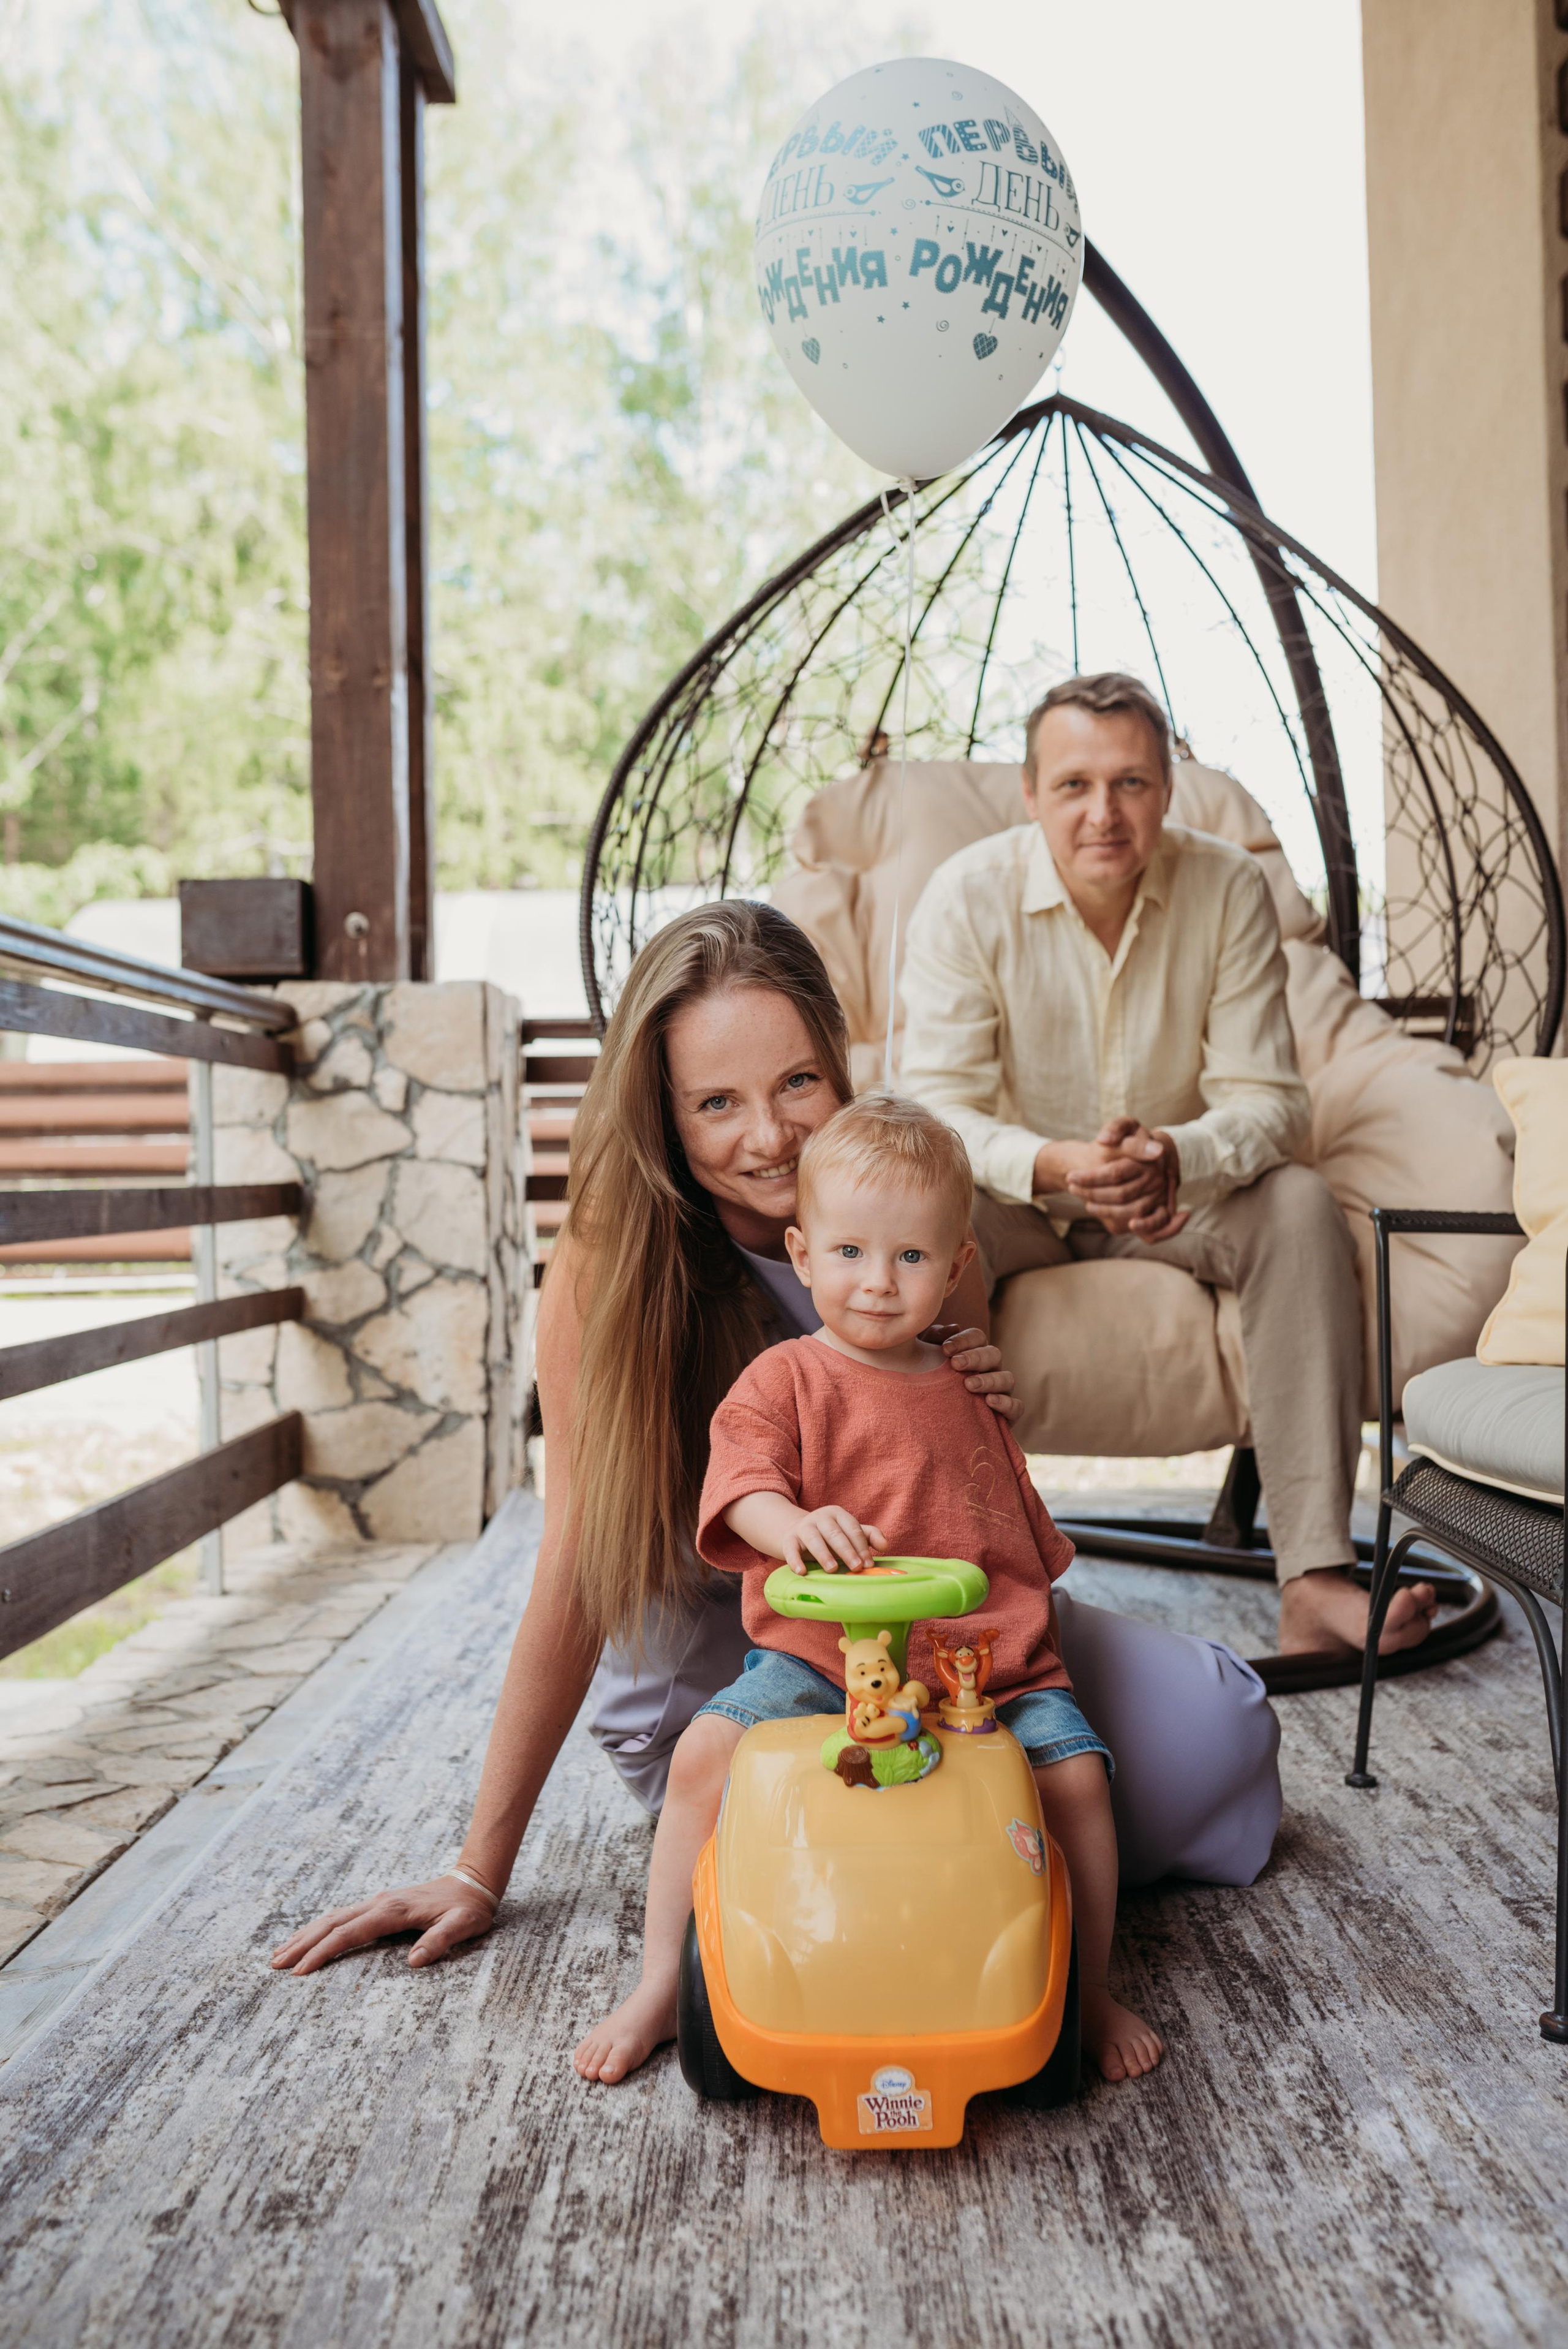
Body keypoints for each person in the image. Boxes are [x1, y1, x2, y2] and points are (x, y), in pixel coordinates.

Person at [270, 901, 1280, 1986]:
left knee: (1221, 1735)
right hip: (740, 1665)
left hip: (936, 1618)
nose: (768, 1135)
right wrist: (479, 1868)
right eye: (717, 1101)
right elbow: (574, 1562)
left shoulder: (926, 1229)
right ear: (665, 1112)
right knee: (895, 1856)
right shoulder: (612, 1268)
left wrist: (982, 1392)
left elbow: (952, 1481)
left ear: (838, 1066)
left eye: (797, 1082)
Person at [572, 1094, 1163, 2088]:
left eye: (910, 1258)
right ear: (802, 1254)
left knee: (1077, 1781)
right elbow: (742, 1485)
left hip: (991, 1666)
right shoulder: (784, 1379)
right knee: (703, 1759)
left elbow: (1012, 1544)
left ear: (958, 1267)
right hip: (819, 1663)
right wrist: (793, 1529)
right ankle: (656, 1984)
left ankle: (1088, 1986)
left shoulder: (970, 1383)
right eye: (849, 1253)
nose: (879, 1285)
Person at [899, 670, 1438, 1661]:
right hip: (1016, 1196)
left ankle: (1315, 1576)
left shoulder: (1230, 886)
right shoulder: (963, 898)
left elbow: (1275, 1102)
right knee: (922, 1216)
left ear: (1167, 789)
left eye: (1132, 783)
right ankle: (955, 1569)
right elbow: (933, 1112)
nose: (1103, 813)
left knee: (1299, 1201)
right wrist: (1056, 1160)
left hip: (1173, 1196)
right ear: (1029, 793)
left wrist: (1176, 1156)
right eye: (1073, 785)